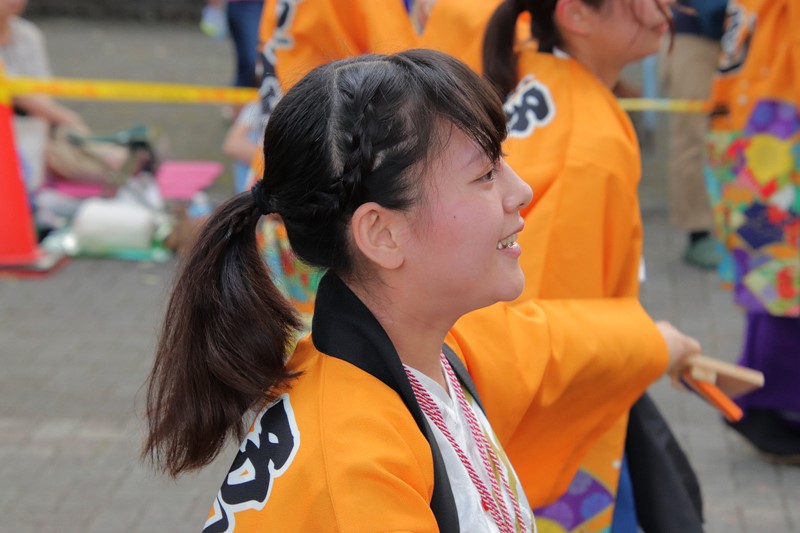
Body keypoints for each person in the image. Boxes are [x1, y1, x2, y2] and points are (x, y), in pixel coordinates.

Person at [142, 49, 701, 531]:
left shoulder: (425, 347)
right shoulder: (355, 469)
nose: (522, 190)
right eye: (485, 174)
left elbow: (552, 346)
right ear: (382, 234)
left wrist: (659, 344)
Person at [483, 1, 704, 531]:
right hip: (545, 431)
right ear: (576, 16)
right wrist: (651, 345)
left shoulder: (535, 68)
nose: (663, 8)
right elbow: (550, 332)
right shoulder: (590, 146)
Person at [705, 0, 800, 462]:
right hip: (776, 141)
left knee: (773, 281)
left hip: (751, 136)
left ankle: (757, 395)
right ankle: (762, 402)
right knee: (783, 283)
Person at [660, 0, 726, 269]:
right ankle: (697, 233)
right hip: (694, 34)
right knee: (693, 137)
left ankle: (746, 227)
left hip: (745, 38)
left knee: (743, 137)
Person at [0, 0, 87, 132]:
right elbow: (10, 88)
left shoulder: (28, 34)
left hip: (30, 119)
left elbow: (42, 86)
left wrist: (45, 117)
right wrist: (64, 117)